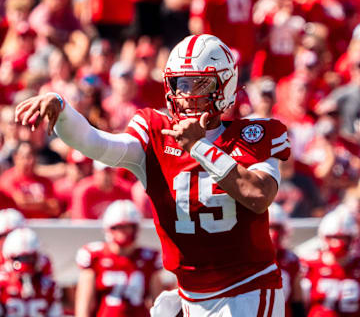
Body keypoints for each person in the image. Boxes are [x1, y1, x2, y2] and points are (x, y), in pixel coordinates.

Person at [15, 34, 290, 316]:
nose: (187, 94)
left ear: (226, 84)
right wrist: (63, 112)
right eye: (181, 83)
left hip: (248, 290)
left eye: (200, 83)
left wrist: (199, 147)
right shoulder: (155, 130)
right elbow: (99, 145)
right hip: (190, 294)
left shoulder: (252, 133)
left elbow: (258, 195)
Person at [75, 199, 163, 316]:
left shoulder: (149, 258)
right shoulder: (95, 256)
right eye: (118, 227)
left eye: (128, 227)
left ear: (136, 229)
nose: (123, 232)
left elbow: (158, 303)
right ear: (108, 228)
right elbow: (84, 304)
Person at [300, 206, 360, 316]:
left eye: (343, 237)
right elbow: (297, 303)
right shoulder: (309, 264)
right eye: (333, 237)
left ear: (352, 238)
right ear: (324, 237)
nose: (337, 243)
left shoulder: (357, 264)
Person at [0, 227, 62, 316]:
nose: (25, 262)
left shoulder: (48, 286)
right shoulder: (2, 284)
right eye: (20, 258)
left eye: (29, 258)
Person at [268, 203, 305, 317]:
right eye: (268, 228)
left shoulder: (291, 260)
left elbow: (297, 299)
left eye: (277, 228)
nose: (273, 233)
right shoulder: (247, 258)